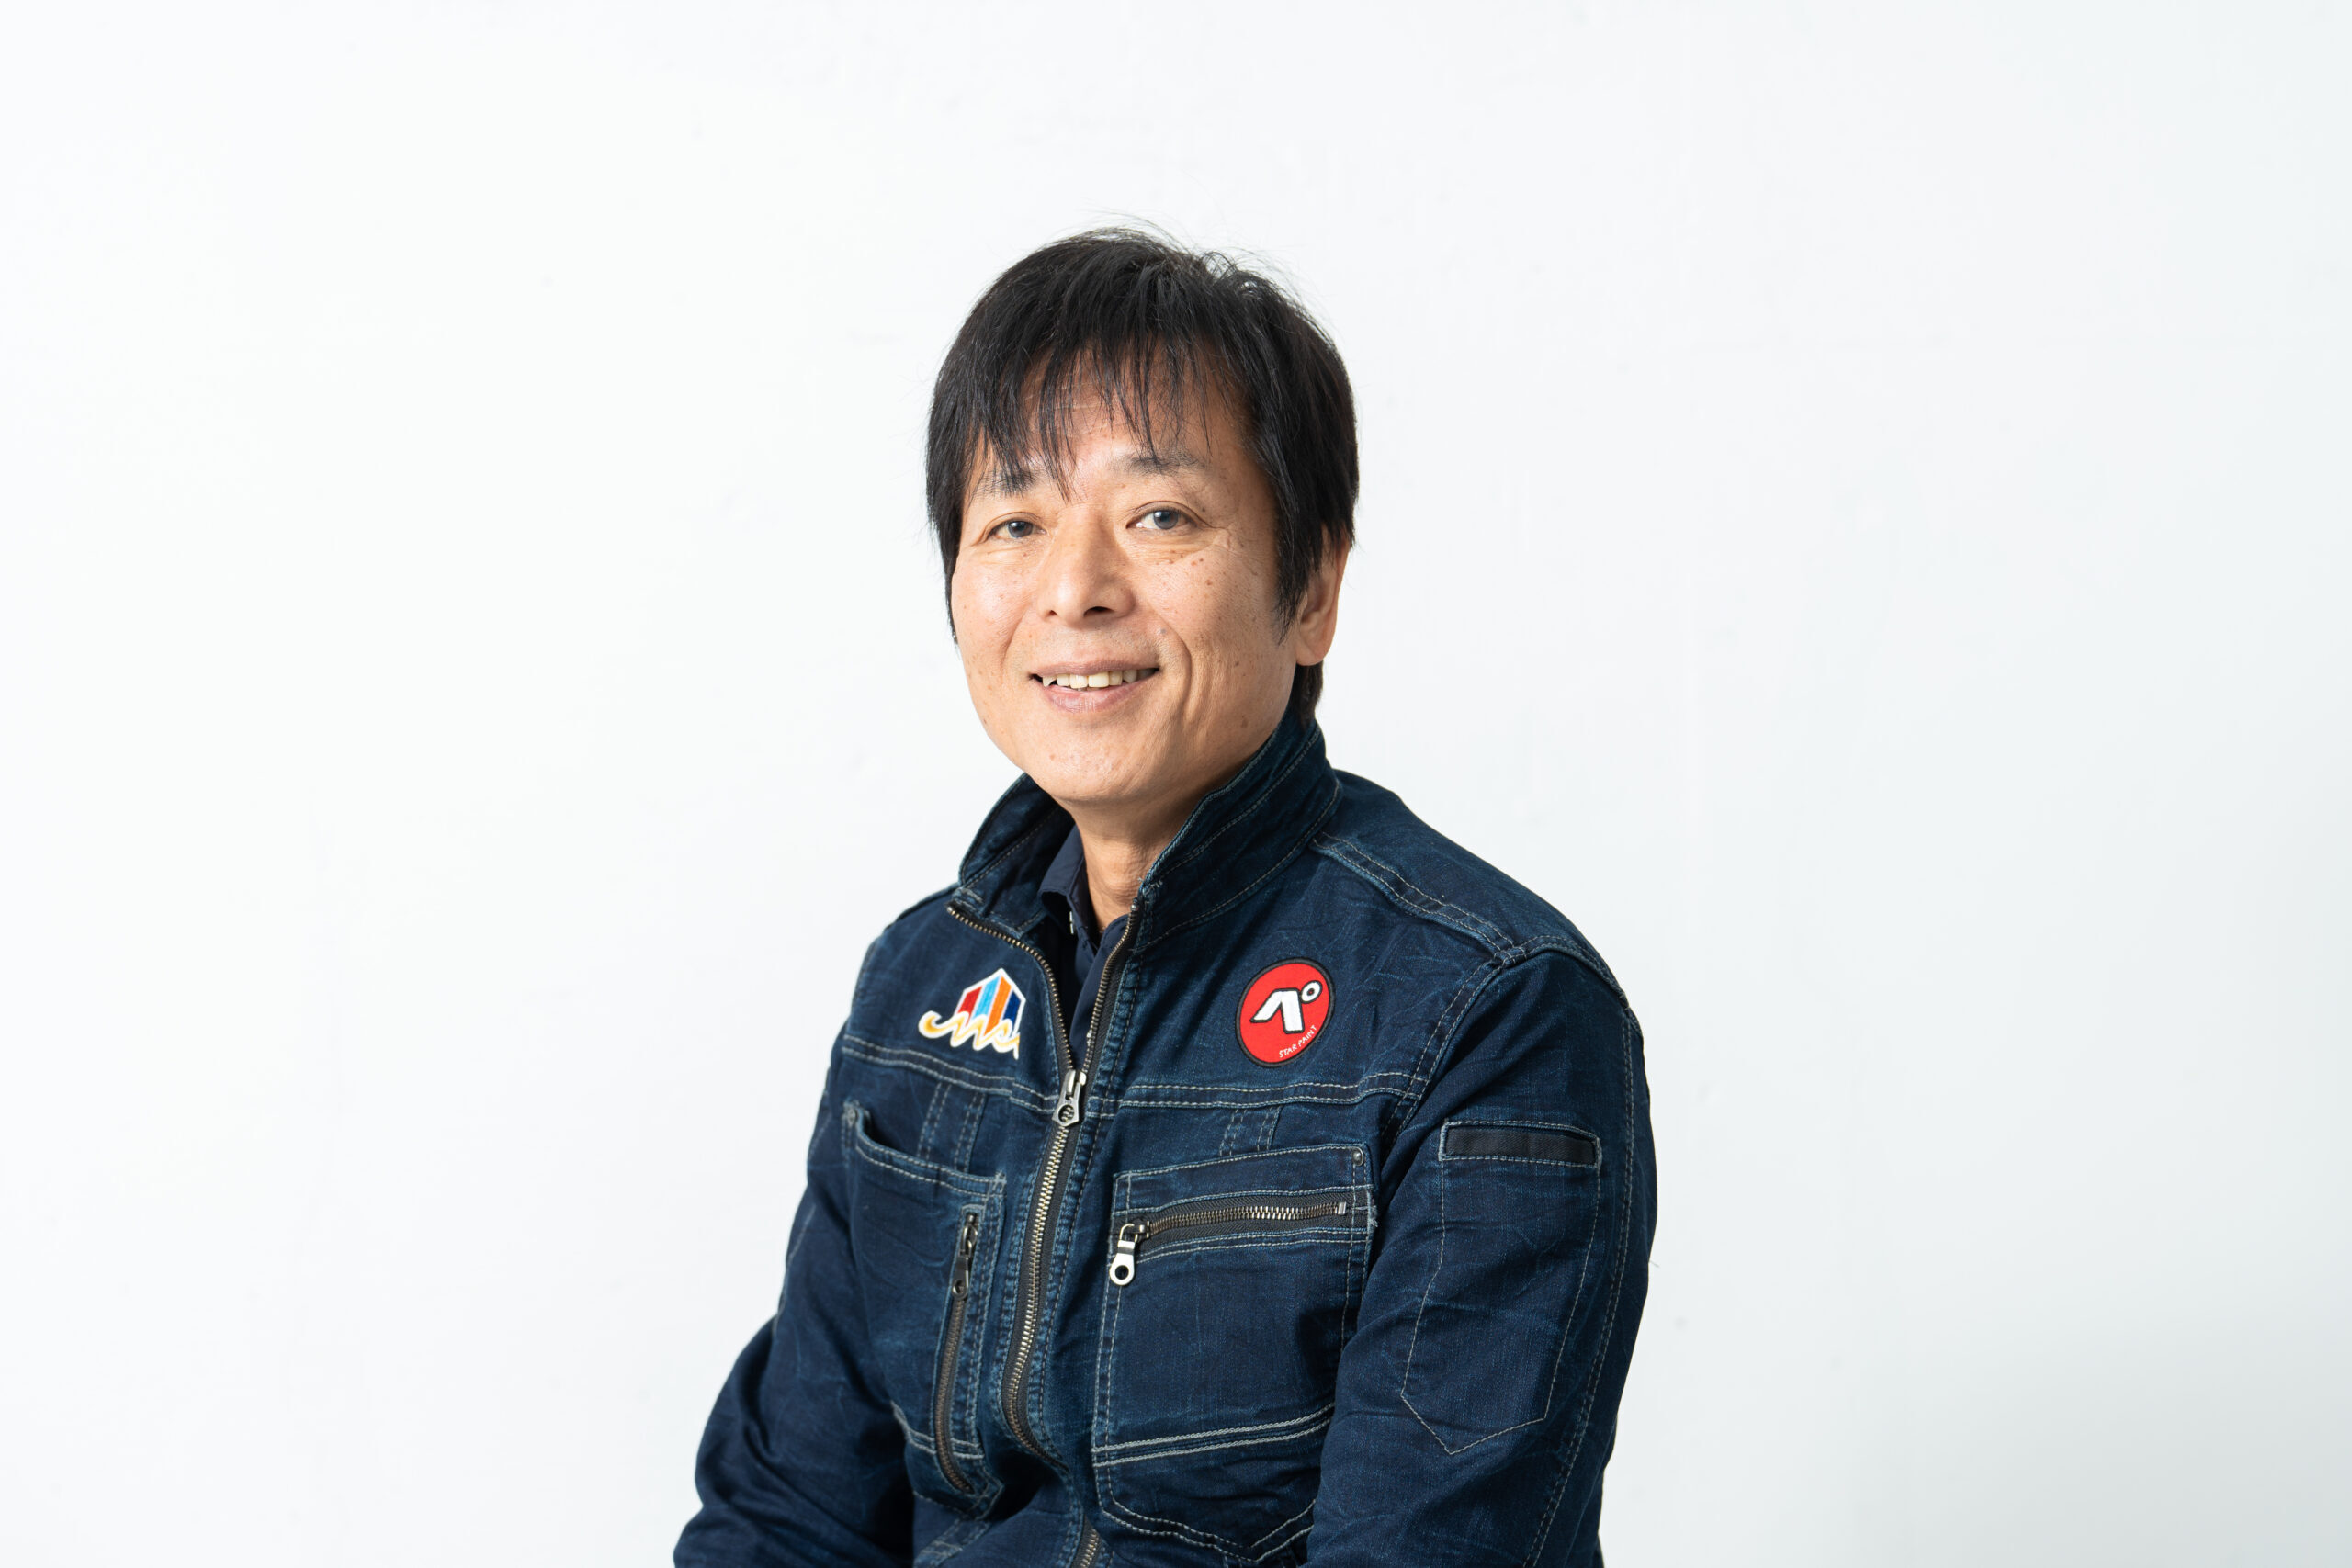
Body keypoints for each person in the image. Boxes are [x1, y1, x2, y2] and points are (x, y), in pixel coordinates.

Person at [677, 230, 1656, 1568]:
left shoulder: (1489, 1012)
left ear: (1311, 588)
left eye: (1160, 518)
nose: (1075, 590)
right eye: (1014, 524)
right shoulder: (918, 992)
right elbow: (789, 1521)